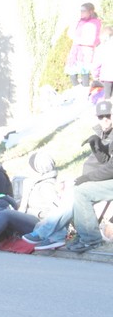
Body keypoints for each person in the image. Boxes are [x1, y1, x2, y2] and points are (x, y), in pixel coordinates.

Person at [22, 99, 113, 251]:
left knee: (80, 192)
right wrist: (96, 145)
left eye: (108, 116)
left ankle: (88, 239)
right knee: (72, 192)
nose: (104, 119)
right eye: (100, 116)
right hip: (98, 178)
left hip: (103, 179)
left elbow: (110, 168)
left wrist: (87, 178)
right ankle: (57, 236)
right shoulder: (103, 132)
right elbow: (105, 161)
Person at [66, 2, 102, 88]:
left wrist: (79, 40)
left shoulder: (95, 22)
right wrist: (74, 22)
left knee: (84, 72)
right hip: (76, 50)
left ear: (90, 11)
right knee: (72, 72)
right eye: (80, 11)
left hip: (86, 51)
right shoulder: (79, 21)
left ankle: (85, 90)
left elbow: (94, 40)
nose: (81, 13)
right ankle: (77, 89)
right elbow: (70, 33)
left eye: (84, 11)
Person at [93, 24, 113, 100]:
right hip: (107, 76)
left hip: (107, 77)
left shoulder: (101, 48)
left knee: (107, 97)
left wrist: (95, 75)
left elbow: (97, 64)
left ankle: (108, 109)